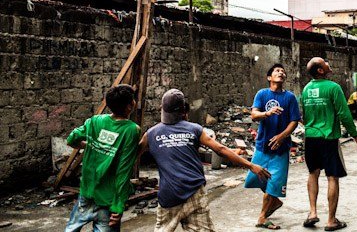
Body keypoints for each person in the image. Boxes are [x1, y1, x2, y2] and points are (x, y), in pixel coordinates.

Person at [138, 89, 271, 232]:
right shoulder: (194, 129)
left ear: (162, 109)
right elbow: (220, 149)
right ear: (185, 110)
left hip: (169, 196)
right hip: (194, 192)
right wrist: (250, 165)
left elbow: (132, 156)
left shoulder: (151, 133)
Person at [300, 57, 357, 231]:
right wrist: (355, 136)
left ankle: (312, 212)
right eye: (325, 62)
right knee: (332, 177)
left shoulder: (306, 89)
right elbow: (344, 114)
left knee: (313, 173)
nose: (328, 63)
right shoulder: (333, 88)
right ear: (320, 70)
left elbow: (304, 115)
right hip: (328, 138)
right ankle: (331, 220)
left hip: (310, 137)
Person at [65, 84, 140, 232]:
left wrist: (90, 145)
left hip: (86, 192)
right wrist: (118, 206)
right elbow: (123, 172)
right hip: (107, 199)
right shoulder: (131, 130)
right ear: (130, 105)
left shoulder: (95, 121)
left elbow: (71, 139)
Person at [244, 64, 301, 230]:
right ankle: (274, 201)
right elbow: (254, 115)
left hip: (281, 150)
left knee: (273, 181)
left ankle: (262, 217)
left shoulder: (290, 97)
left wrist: (282, 136)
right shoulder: (262, 94)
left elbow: (294, 121)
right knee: (255, 179)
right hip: (262, 146)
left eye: (283, 71)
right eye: (277, 71)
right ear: (269, 77)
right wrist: (267, 113)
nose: (281, 73)